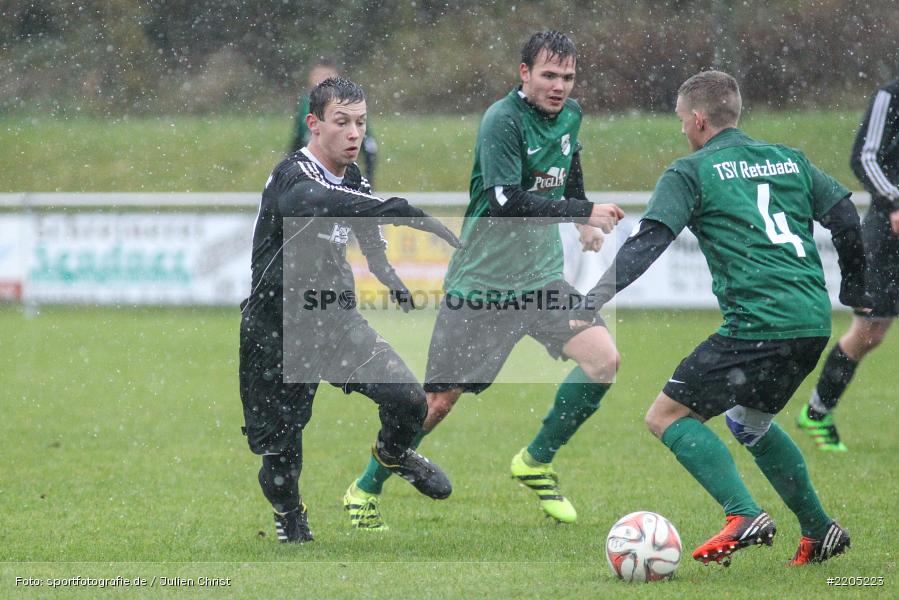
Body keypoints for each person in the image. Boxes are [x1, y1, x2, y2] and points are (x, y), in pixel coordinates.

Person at [580, 70, 869, 566]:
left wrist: (590, 299)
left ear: (697, 119)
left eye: (680, 121)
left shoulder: (690, 171)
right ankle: (820, 531)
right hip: (810, 321)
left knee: (665, 416)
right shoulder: (788, 159)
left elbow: (649, 242)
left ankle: (743, 513)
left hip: (758, 324)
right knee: (750, 422)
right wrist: (855, 287)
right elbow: (844, 216)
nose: (680, 130)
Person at [342, 30, 625, 530]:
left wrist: (582, 218)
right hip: (483, 288)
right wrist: (582, 210)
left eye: (568, 76)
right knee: (436, 403)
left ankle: (535, 461)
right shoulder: (502, 121)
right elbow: (502, 202)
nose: (559, 86)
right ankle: (364, 489)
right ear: (524, 73)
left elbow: (568, 163)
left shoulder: (572, 114)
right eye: (549, 75)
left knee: (604, 360)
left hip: (541, 282)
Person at [239, 77, 462, 543]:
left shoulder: (354, 177)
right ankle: (290, 516)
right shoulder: (292, 176)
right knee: (280, 460)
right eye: (341, 122)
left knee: (409, 401)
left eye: (360, 122)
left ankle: (394, 453)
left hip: (331, 320)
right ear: (314, 125)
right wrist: (398, 207)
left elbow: (363, 224)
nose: (353, 133)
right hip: (274, 329)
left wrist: (386, 274)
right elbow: (311, 203)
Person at [797, 76, 899, 452]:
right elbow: (864, 156)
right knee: (870, 332)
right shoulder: (892, 96)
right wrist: (894, 201)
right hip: (889, 233)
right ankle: (817, 411)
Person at [290, 59, 379, 187]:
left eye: (326, 75)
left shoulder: (350, 106)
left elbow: (369, 147)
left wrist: (369, 180)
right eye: (318, 75)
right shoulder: (305, 102)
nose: (321, 80)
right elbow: (297, 138)